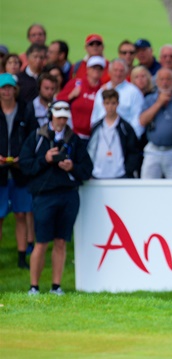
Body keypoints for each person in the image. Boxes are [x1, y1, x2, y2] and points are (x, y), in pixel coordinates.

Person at [20, 101, 93, 295]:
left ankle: (56, 286)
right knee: (41, 242)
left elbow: (86, 169)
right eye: (58, 116)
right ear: (51, 115)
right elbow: (25, 165)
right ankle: (34, 286)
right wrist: (46, 159)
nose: (61, 120)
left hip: (68, 195)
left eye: (64, 117)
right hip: (44, 196)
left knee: (61, 241)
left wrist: (72, 167)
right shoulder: (37, 137)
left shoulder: (74, 140)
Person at [0, 73, 39, 269]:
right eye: (3, 88)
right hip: (0, 171)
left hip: (19, 169)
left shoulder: (25, 109)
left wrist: (23, 158)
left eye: (9, 88)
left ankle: (22, 256)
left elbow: (33, 137)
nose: (6, 91)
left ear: (15, 89)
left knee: (21, 214)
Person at [139, 68, 172, 179]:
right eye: (162, 79)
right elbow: (142, 121)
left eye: (168, 79)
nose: (165, 83)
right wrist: (159, 102)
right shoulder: (149, 99)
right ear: (156, 82)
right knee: (147, 185)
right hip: (153, 149)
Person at [87, 90, 140, 179]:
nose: (110, 107)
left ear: (118, 104)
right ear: (103, 104)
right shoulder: (96, 127)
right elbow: (89, 150)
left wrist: (127, 170)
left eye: (113, 103)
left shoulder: (125, 128)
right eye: (107, 103)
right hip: (97, 174)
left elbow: (134, 151)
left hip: (120, 175)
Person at [91, 59, 145, 139]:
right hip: (101, 138)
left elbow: (138, 120)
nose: (118, 74)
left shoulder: (134, 92)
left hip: (124, 139)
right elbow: (95, 115)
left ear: (126, 73)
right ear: (109, 72)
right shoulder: (102, 91)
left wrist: (131, 140)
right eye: (115, 70)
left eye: (121, 71)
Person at [57, 55, 104, 142]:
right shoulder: (76, 83)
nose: (96, 70)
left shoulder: (103, 89)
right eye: (94, 67)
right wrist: (70, 96)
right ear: (88, 69)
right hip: (72, 134)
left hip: (93, 136)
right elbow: (57, 101)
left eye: (99, 68)